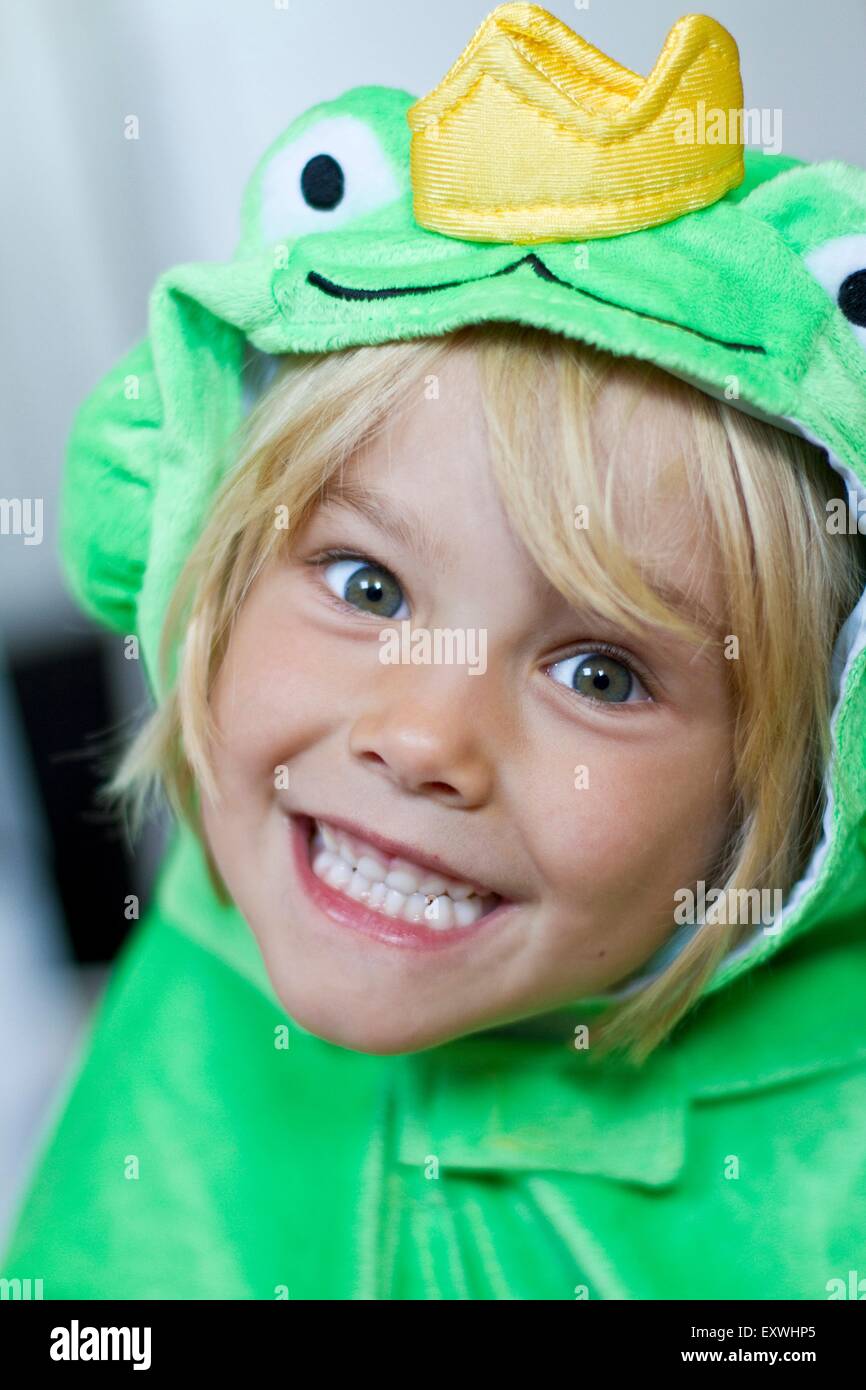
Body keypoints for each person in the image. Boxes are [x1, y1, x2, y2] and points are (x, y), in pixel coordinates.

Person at [4, 5, 866, 1299]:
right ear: (207, 569)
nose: (418, 739)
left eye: (599, 672)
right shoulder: (199, 978)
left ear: (800, 804)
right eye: (364, 584)